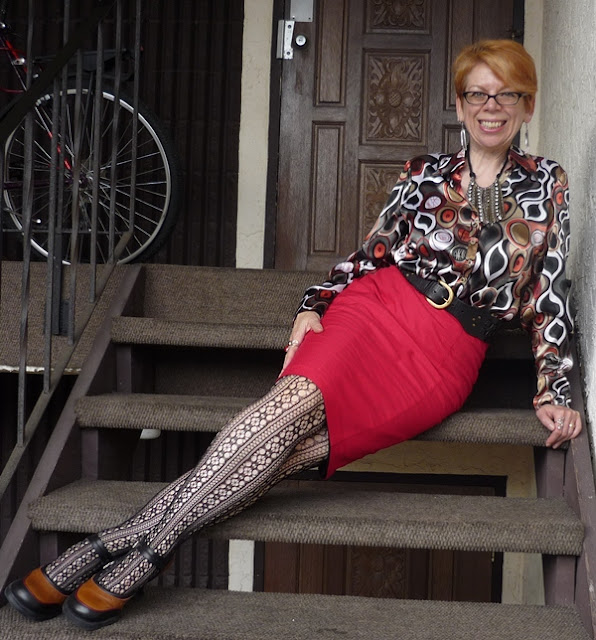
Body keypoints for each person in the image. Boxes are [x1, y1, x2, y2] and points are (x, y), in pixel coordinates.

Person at [5, 39, 582, 631]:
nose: (491, 106)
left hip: (444, 358)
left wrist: (555, 388)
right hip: (376, 310)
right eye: (478, 94)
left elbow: (550, 292)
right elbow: (371, 253)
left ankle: (114, 540)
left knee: (285, 455)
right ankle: (142, 557)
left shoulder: (548, 184)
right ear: (459, 105)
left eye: (506, 94)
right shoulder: (423, 172)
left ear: (528, 105)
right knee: (286, 410)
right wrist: (315, 303)